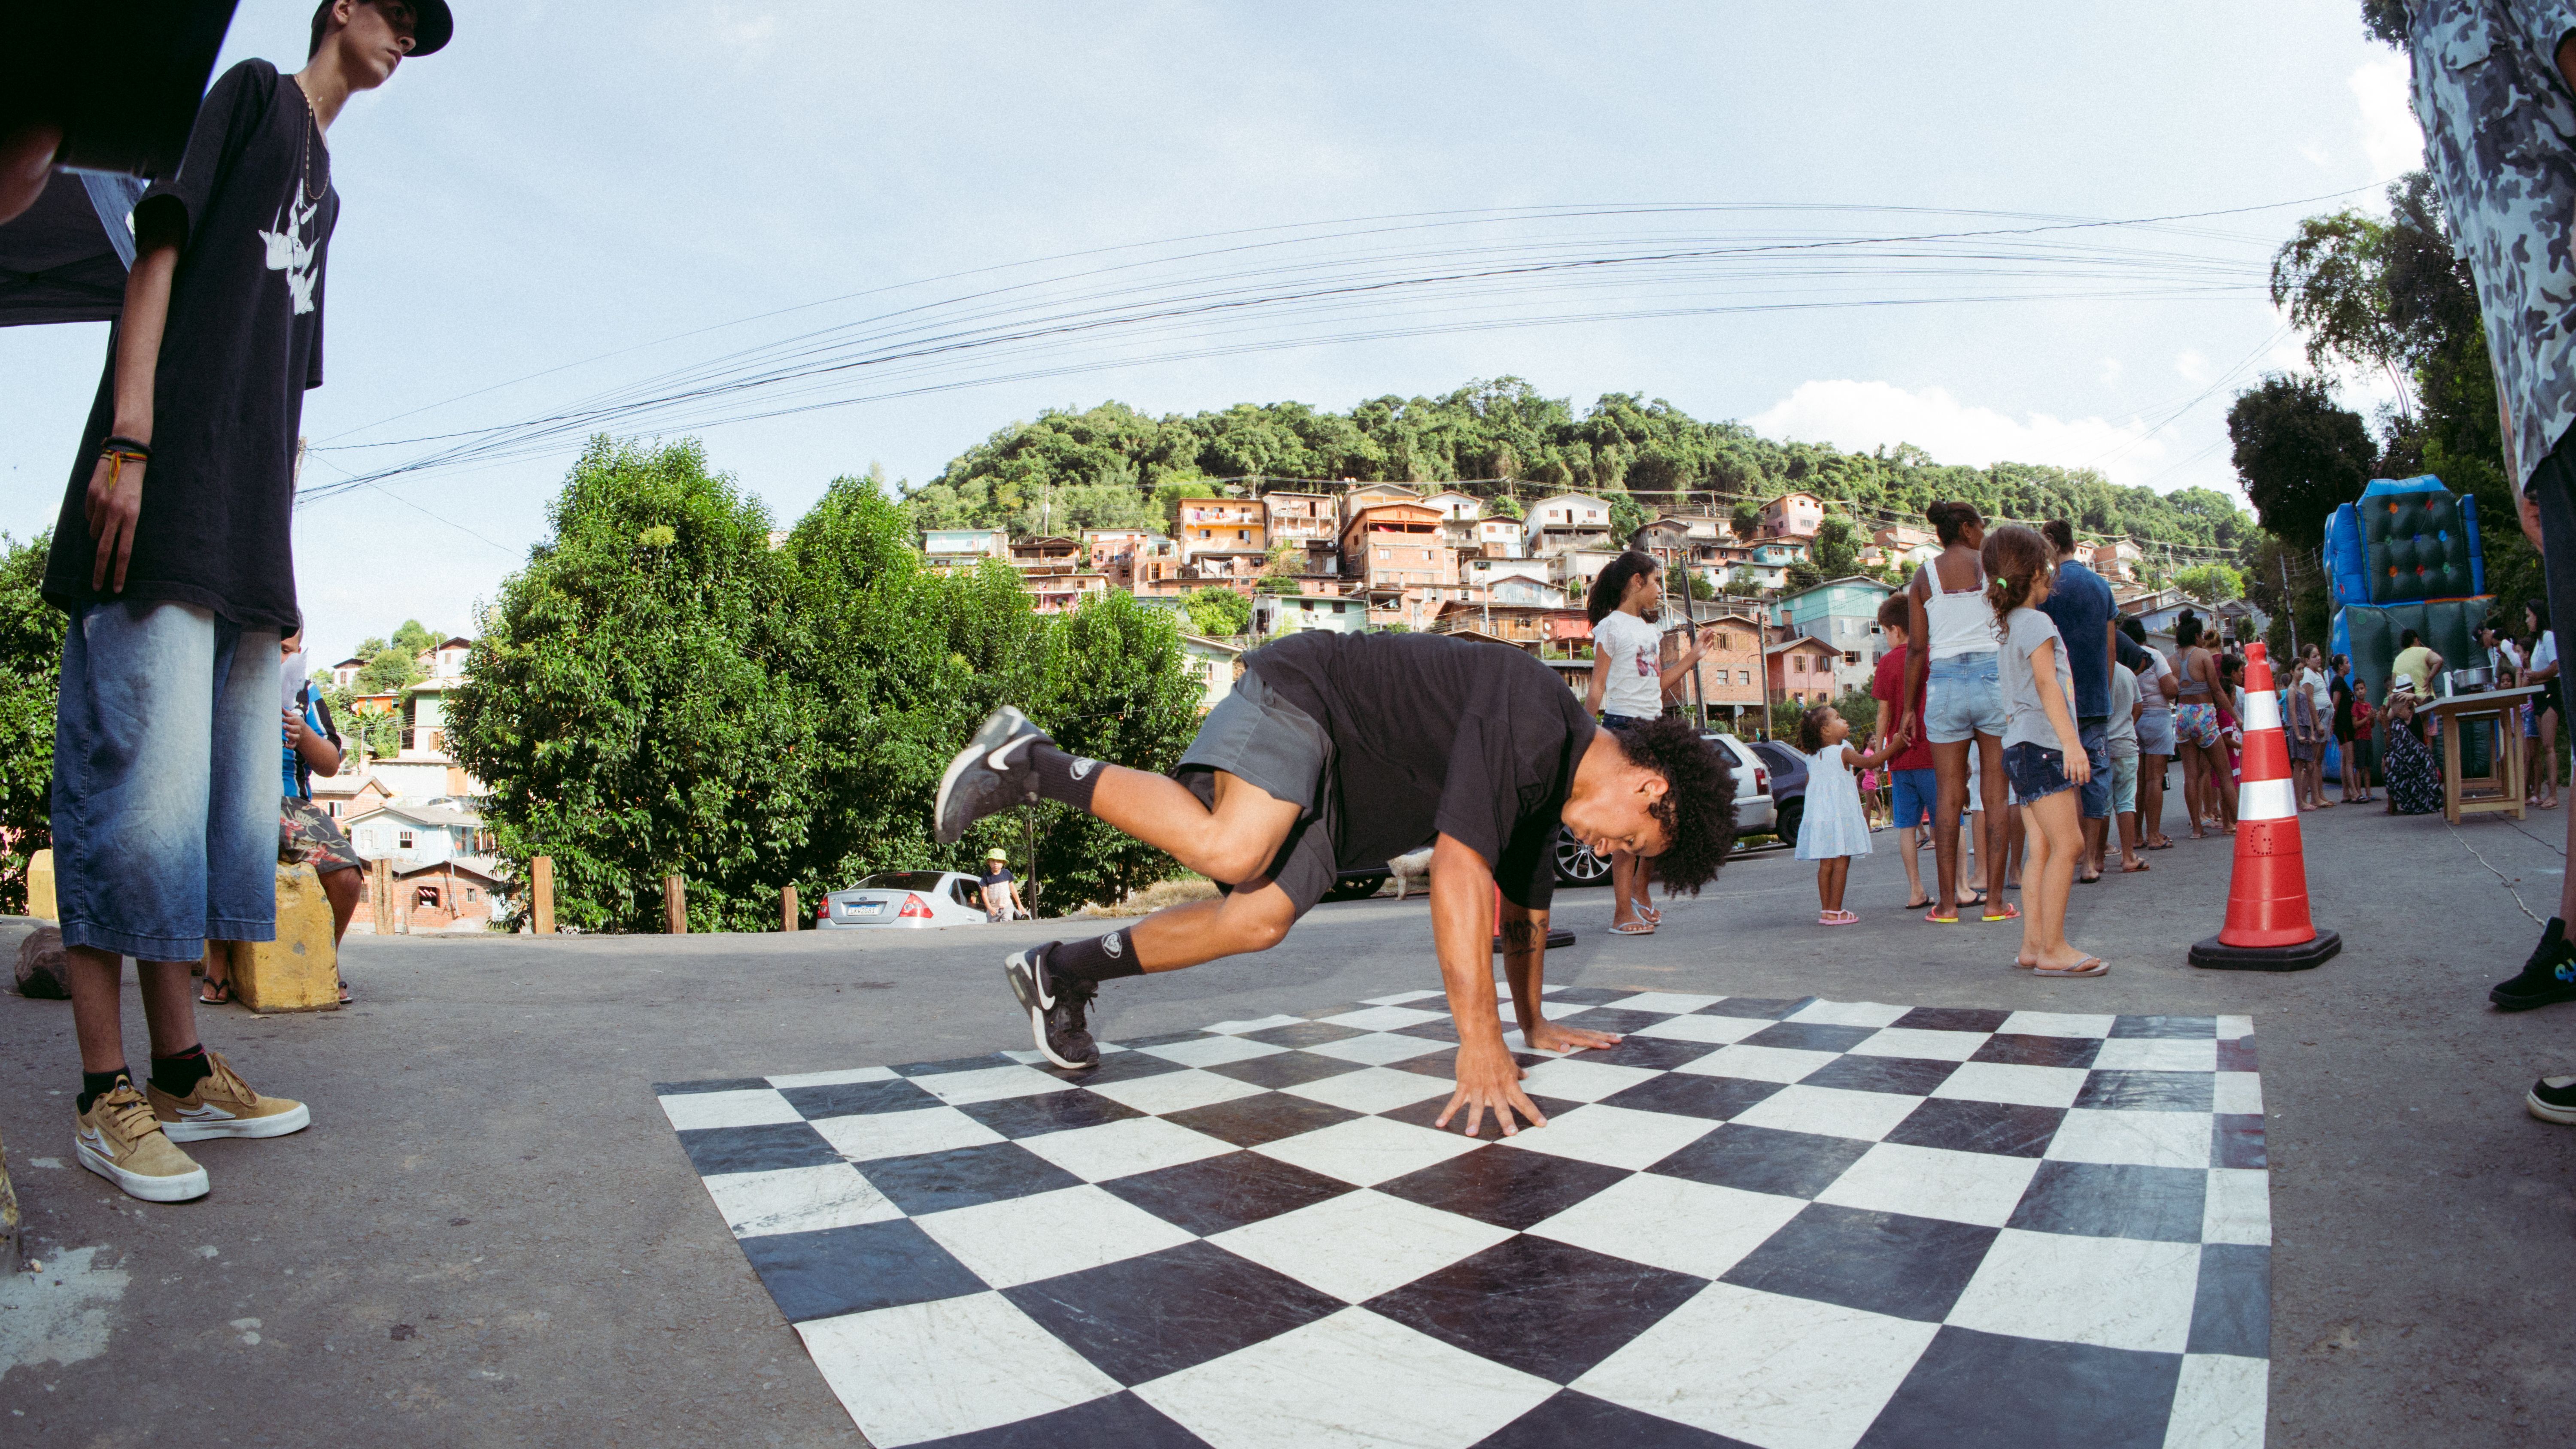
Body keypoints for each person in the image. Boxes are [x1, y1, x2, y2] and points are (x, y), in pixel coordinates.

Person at [38, 1, 448, 1204]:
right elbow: (158, 251)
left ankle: (178, 1068)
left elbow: (291, 396)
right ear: (343, 7)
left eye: (428, 30)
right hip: (159, 501)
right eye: (404, 12)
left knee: (208, 816)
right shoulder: (255, 95)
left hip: (243, 535)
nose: (411, 37)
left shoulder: (328, 190)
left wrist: (278, 565)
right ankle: (103, 1098)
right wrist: (129, 437)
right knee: (133, 798)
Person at [932, 629, 1738, 1135]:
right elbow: (1459, 868)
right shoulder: (1533, 712)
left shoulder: (1549, 791)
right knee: (1235, 849)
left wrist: (1532, 1021)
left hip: (1338, 798)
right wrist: (1479, 1039)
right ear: (1650, 786)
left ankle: (1060, 971)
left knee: (1256, 919)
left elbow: (1524, 911)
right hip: (1311, 697)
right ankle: (1028, 761)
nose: (1606, 850)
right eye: (1630, 839)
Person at [2405, 7, 2576, 1097]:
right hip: (2554, 405)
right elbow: (2490, 264)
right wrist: (2521, 441)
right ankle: (2569, 934)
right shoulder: (2421, 34)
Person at [204, 624, 363, 1006]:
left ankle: (329, 957)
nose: (278, 658)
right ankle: (219, 959)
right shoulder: (223, 680)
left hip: (293, 807)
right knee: (221, 851)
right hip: (234, 800)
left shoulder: (306, 694)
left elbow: (330, 765)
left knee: (347, 875)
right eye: (270, 648)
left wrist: (302, 735)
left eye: (287, 650)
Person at [1986, 525, 2104, 978]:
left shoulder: (2011, 623)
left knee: (2041, 848)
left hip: (2018, 746)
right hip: (2041, 745)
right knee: (2070, 844)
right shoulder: (2037, 622)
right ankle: (2053, 948)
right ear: (2038, 572)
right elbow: (2046, 683)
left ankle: (2033, 946)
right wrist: (2072, 743)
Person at [1584, 551, 1720, 937]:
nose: (1661, 590)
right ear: (1636, 582)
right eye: (1656, 581)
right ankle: (1622, 912)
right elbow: (1597, 686)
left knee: (1664, 819)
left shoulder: (1650, 632)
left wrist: (1695, 655)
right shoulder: (1611, 628)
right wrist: (1582, 732)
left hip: (1655, 728)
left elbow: (1656, 686)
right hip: (1623, 728)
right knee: (1627, 826)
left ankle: (1641, 890)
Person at [1899, 500, 2015, 925]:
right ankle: (1995, 902)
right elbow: (2012, 600)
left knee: (1948, 796)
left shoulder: (1923, 576)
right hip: (1991, 677)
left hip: (1944, 683)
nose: (1984, 533)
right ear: (1967, 528)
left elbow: (1916, 647)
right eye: (1981, 526)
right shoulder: (1991, 566)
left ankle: (1947, 905)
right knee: (1995, 794)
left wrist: (1909, 708)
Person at [2038, 522, 2116, 883]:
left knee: (2064, 778)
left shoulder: (2048, 589)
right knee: (2097, 776)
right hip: (2097, 695)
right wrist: (2106, 686)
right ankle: (2093, 861)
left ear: (2052, 544)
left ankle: (2070, 857)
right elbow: (2110, 647)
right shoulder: (2102, 586)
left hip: (2059, 698)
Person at [1794, 703, 1911, 925]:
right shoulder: (1843, 751)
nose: (1844, 721)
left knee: (1826, 864)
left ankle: (1827, 910)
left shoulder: (1811, 759)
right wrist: (1895, 746)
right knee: (1841, 862)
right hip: (1841, 816)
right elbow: (1871, 763)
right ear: (1825, 731)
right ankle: (1836, 911)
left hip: (1820, 819)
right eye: (1838, 718)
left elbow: (1810, 787)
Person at [1871, 594, 1939, 909]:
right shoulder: (1930, 655)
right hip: (1933, 750)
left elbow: (1884, 713)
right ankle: (1960, 885)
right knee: (1950, 821)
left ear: (1896, 629)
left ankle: (1916, 890)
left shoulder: (1887, 663)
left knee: (1907, 827)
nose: (1886, 638)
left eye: (1885, 631)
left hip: (1899, 757)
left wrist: (1881, 755)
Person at [2172, 614, 2234, 838]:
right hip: (2204, 715)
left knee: (2191, 775)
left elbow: (2170, 692)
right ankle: (2238, 821)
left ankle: (2197, 829)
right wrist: (2236, 717)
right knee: (2225, 774)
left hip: (2182, 716)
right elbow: (2217, 690)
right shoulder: (2203, 655)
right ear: (2198, 636)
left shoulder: (2172, 660)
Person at [2124, 618, 2178, 848]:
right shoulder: (2153, 655)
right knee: (2155, 779)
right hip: (2156, 719)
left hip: (2132, 720)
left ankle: (2136, 836)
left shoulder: (2122, 658)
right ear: (2144, 636)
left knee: (2137, 781)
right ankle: (2154, 835)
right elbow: (2170, 689)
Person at [2107, 654, 2146, 873]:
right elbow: (2138, 707)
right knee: (2126, 803)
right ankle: (2128, 855)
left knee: (2101, 806)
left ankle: (2097, 858)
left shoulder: (2094, 672)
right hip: (2126, 744)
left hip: (2101, 743)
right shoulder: (2128, 674)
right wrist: (2125, 725)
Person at [2379, 688, 2443, 817]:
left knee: (2425, 763)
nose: (2410, 709)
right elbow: (2384, 716)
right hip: (2405, 759)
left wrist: (2413, 697)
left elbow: (2431, 703)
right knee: (2389, 761)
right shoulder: (2397, 720)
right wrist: (2391, 703)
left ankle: (2423, 799)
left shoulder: (2419, 713)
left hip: (2417, 758)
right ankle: (2403, 802)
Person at [2524, 600, 2561, 810]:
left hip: (2549, 693)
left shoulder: (2548, 636)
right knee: (2541, 747)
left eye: (2529, 616)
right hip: (2537, 695)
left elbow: (2555, 667)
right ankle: (2542, 793)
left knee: (2549, 746)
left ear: (2537, 616)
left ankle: (2554, 794)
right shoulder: (2537, 642)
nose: (2527, 620)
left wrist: (2537, 675)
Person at [2331, 653, 2364, 804]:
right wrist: (2333, 723)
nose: (2349, 665)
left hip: (2345, 725)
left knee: (2345, 759)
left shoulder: (2341, 682)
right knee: (2350, 760)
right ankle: (2355, 792)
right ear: (2340, 666)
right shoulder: (2338, 682)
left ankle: (2346, 793)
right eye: (2347, 662)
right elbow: (2336, 703)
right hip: (2343, 725)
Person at [2392, 628, 2444, 703]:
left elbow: (2394, 686)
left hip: (2407, 704)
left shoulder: (2397, 660)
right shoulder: (2423, 651)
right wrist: (2429, 679)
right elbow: (2439, 660)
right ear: (2416, 640)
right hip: (2425, 700)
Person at [979, 847, 1024, 921]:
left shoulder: (1006, 873)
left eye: (999, 861)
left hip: (1007, 906)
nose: (996, 863)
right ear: (989, 862)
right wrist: (990, 908)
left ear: (1003, 863)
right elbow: (984, 894)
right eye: (993, 861)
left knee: (1007, 925)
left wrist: (1019, 904)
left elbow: (1013, 889)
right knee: (993, 930)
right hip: (993, 908)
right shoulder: (986, 876)